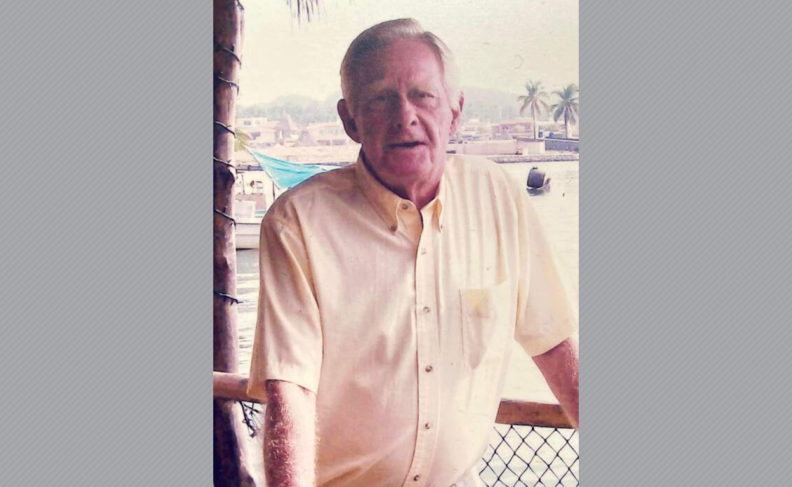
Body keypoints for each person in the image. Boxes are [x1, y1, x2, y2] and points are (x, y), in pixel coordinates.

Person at [247, 18, 579, 487]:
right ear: (350, 120)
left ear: (455, 112)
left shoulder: (497, 196)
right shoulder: (298, 223)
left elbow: (556, 344)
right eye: (381, 99)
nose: (405, 116)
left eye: (423, 96)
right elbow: (290, 393)